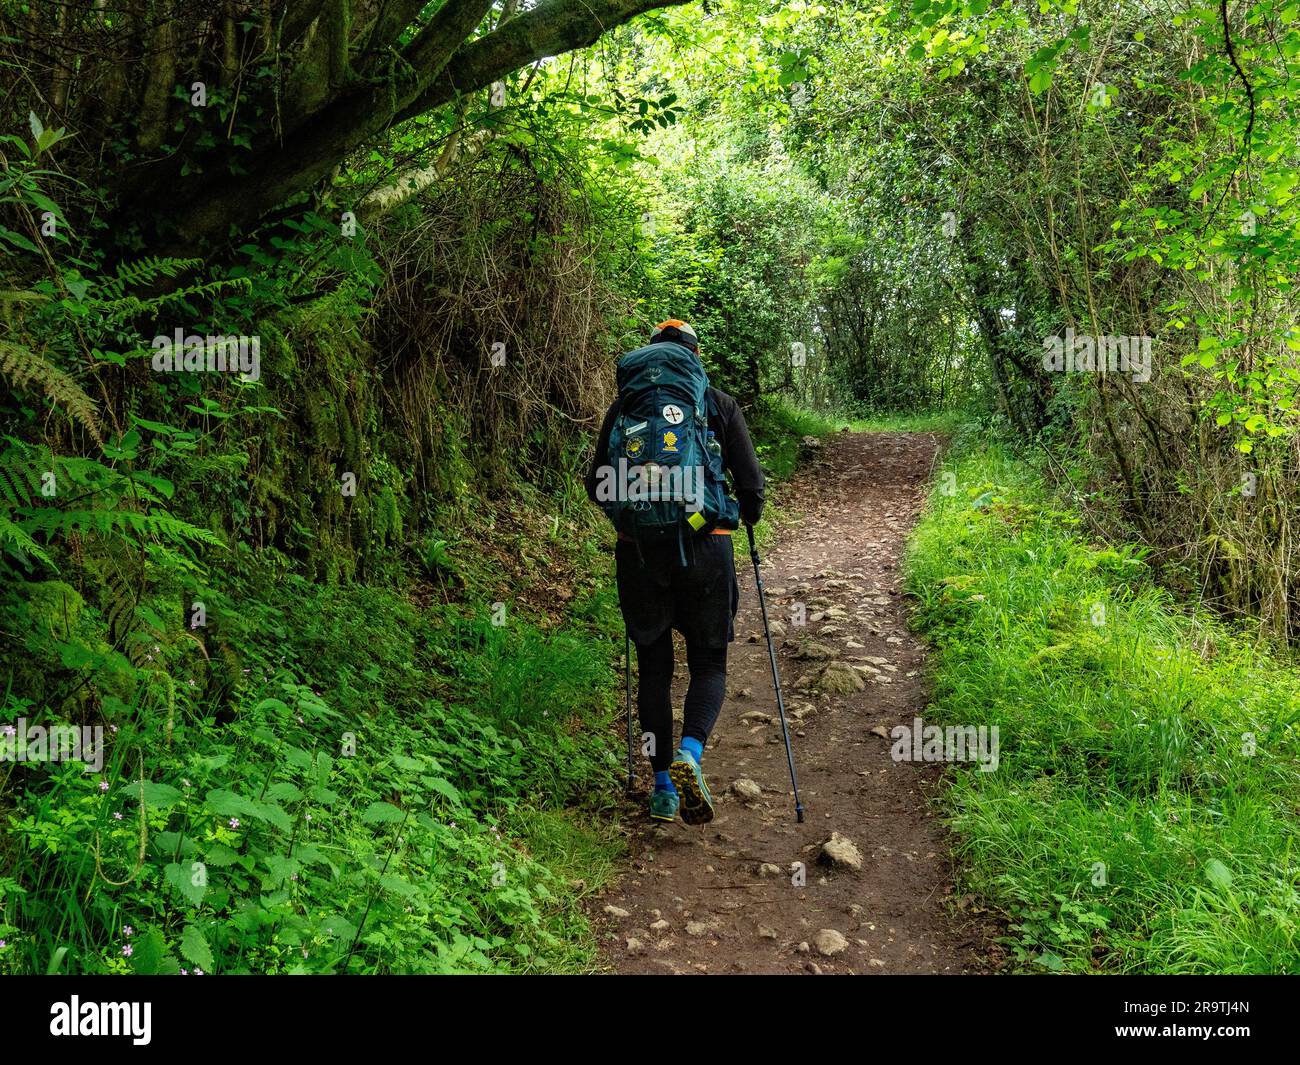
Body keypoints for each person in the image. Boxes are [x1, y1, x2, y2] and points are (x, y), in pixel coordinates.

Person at [585, 320, 765, 825]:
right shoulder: (717, 403)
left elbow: (597, 484)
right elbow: (751, 489)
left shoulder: (624, 409)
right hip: (708, 546)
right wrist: (742, 515)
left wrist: (635, 522)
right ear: (695, 356)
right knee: (709, 664)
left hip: (640, 555)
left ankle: (662, 787)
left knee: (655, 671)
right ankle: (690, 754)